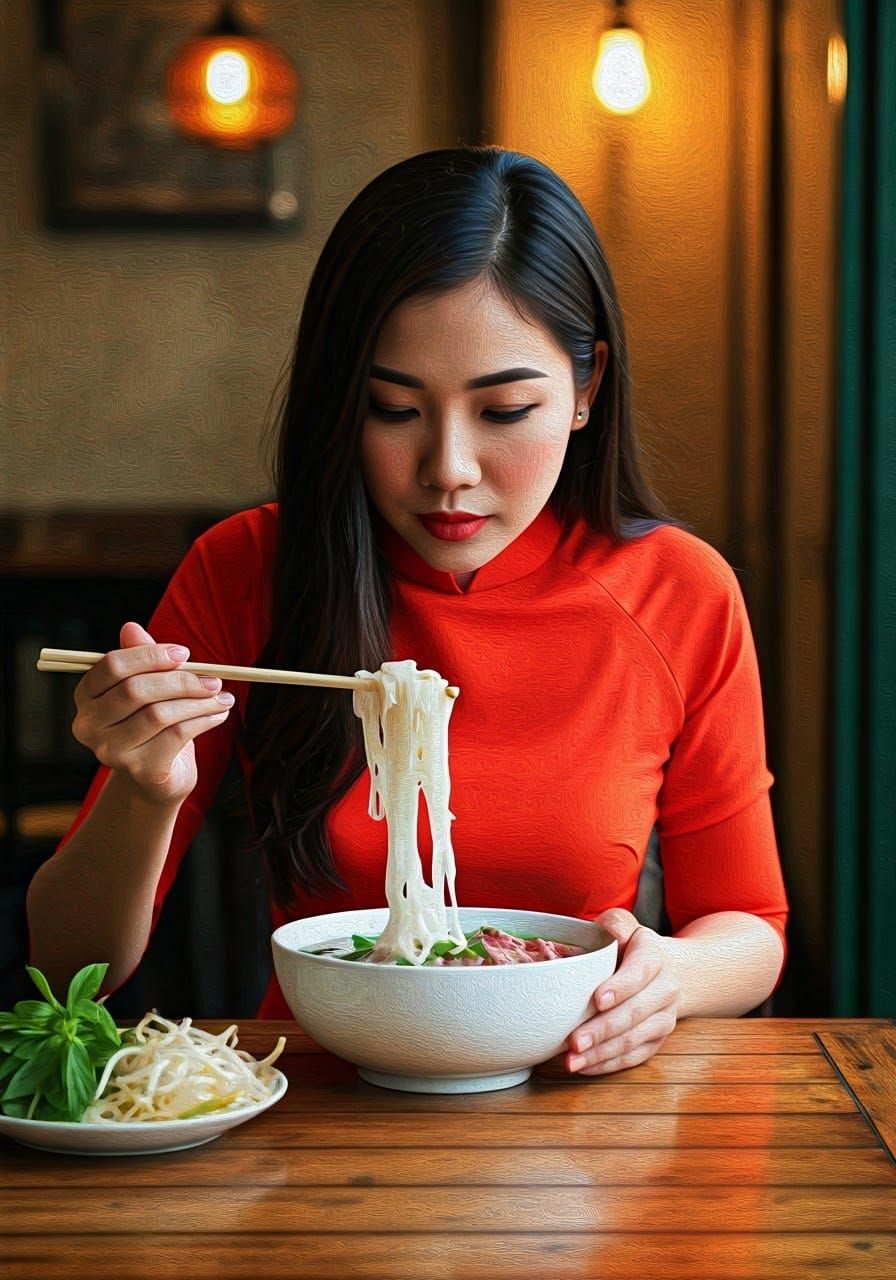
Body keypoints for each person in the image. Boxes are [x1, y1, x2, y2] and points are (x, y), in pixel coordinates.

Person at [26, 146, 788, 1077]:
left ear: (587, 389)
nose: (448, 469)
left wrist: (668, 974)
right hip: (312, 1092)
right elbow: (66, 965)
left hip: (578, 1091)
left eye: (505, 411)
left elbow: (750, 925)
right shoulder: (249, 569)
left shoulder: (678, 590)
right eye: (393, 409)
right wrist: (147, 791)